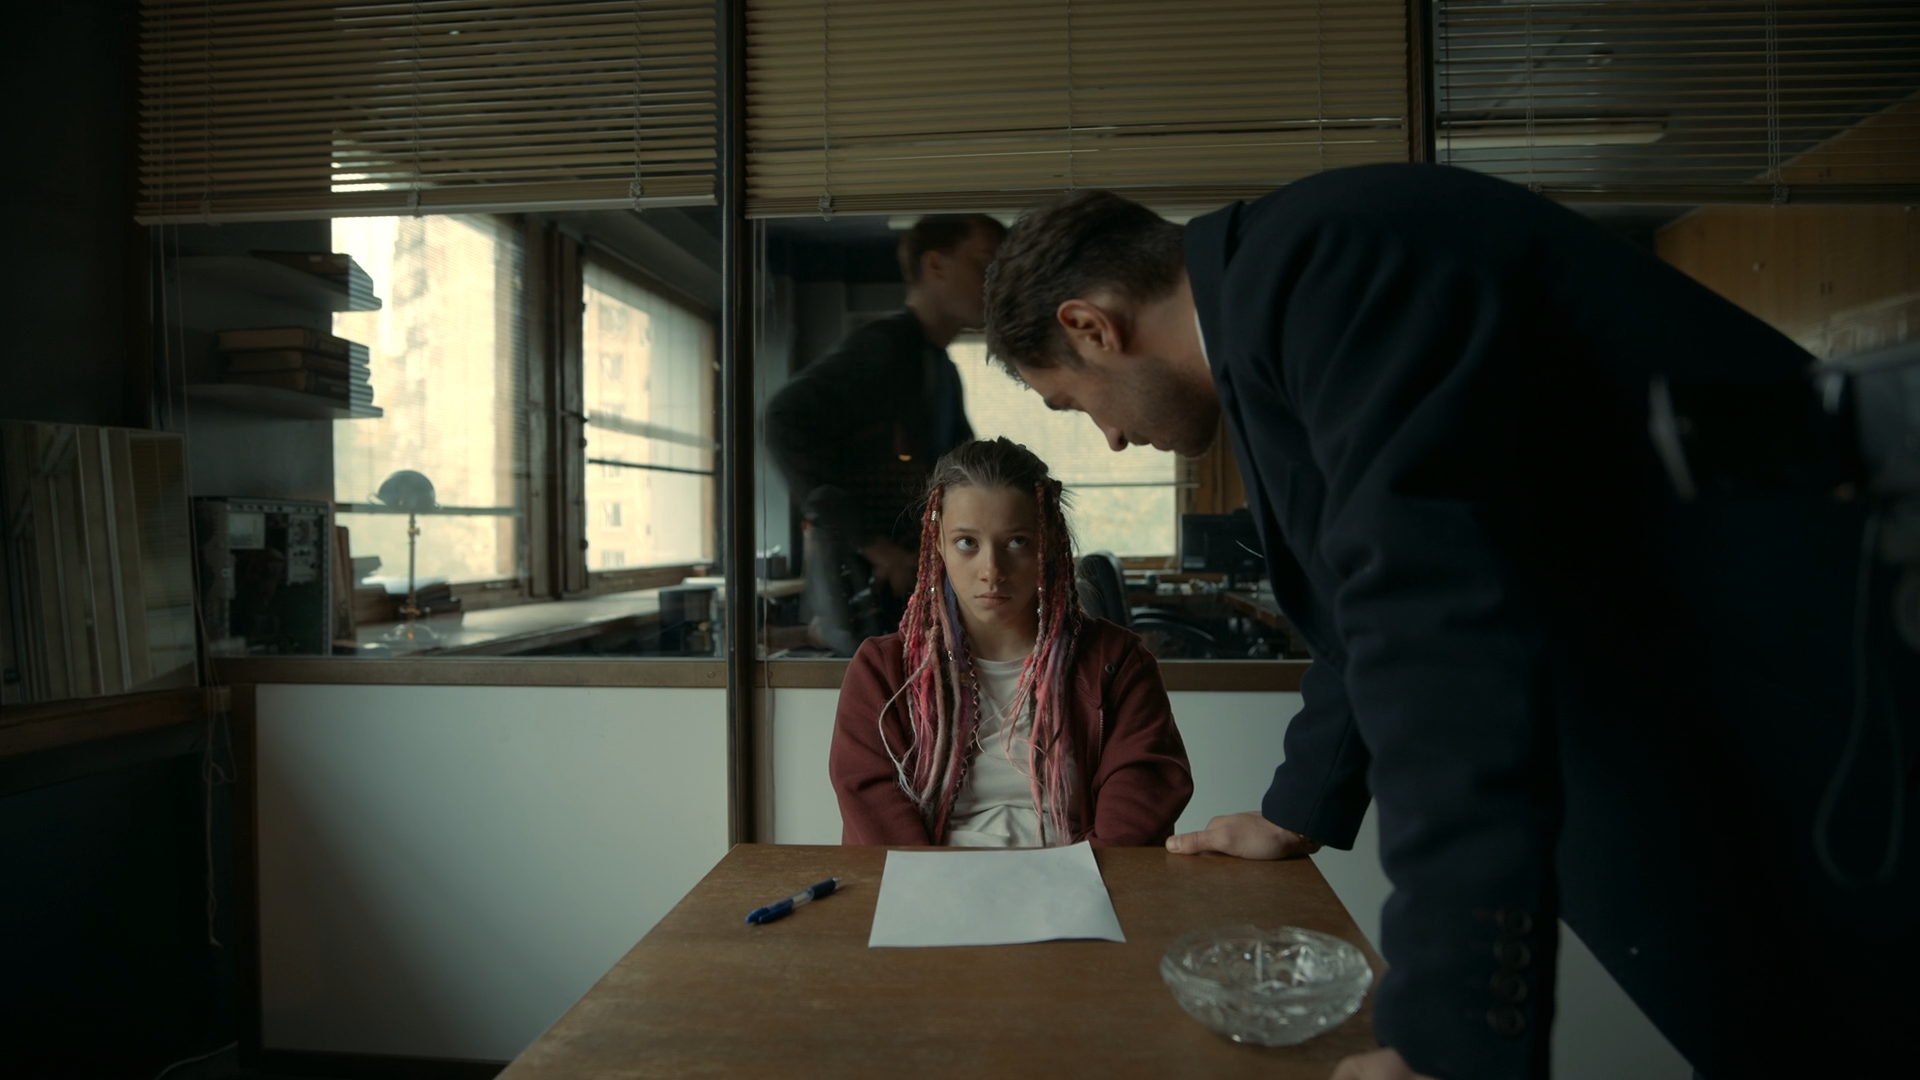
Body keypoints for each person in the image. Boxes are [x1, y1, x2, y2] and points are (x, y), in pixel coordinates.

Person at [982, 165, 1916, 1079]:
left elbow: (1432, 640)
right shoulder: (1284, 295)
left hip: (1808, 716)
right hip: (1697, 720)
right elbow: (1363, 597)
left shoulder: (1327, 270)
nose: (1109, 436)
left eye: (1075, 401)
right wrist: (1301, 806)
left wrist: (1450, 1035)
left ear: (1092, 326)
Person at [829, 437, 1194, 847]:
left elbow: (1142, 797)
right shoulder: (882, 672)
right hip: (931, 882)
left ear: (1047, 542)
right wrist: (934, 881)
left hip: (1076, 879)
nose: (991, 570)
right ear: (938, 544)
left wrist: (1072, 878)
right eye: (967, 542)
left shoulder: (1117, 664)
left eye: (1016, 542)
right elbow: (873, 808)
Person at [766, 214, 1005, 655]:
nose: (996, 281)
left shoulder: (940, 369)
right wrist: (871, 544)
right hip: (872, 594)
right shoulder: (884, 347)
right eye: (985, 264)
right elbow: (783, 419)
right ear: (936, 265)